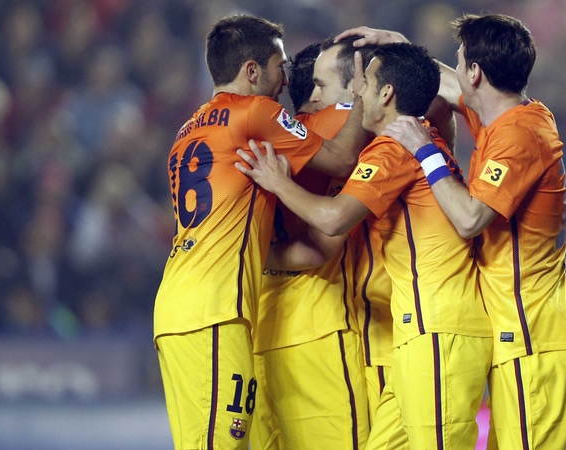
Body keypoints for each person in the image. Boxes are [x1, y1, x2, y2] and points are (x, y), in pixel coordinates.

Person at [339, 14, 566, 449]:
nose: (454, 69)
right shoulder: (504, 120)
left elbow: (470, 218)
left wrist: (425, 152)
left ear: (475, 72)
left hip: (532, 332)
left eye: (459, 60)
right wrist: (402, 48)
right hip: (515, 331)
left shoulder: (519, 136)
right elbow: (444, 84)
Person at [237, 43, 493, 450]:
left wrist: (278, 182)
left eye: (365, 83)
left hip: (437, 327)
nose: (358, 93)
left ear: (386, 93)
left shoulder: (394, 148)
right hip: (419, 329)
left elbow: (333, 219)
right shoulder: (416, 139)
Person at [153, 15, 367, 450]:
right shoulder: (254, 112)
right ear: (252, 71)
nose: (286, 80)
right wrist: (363, 93)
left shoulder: (185, 133)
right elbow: (343, 158)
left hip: (180, 307)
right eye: (279, 66)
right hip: (214, 312)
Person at [251, 41, 370, 450]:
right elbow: (322, 246)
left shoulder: (254, 132)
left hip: (255, 328)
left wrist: (253, 257)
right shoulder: (341, 122)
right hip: (317, 328)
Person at [309, 35, 407, 450]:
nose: (313, 98)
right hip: (362, 340)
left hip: (396, 342)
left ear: (358, 89)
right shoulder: (357, 153)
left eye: (320, 86)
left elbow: (331, 225)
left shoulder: (395, 147)